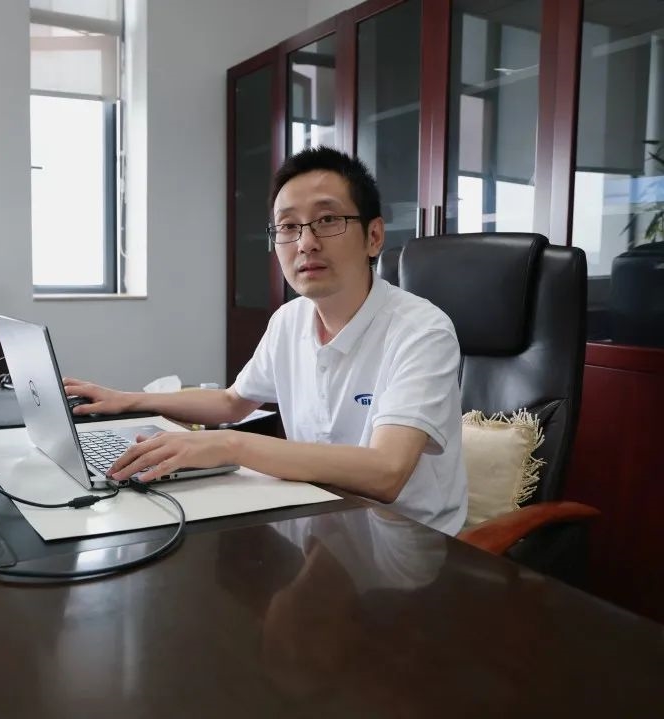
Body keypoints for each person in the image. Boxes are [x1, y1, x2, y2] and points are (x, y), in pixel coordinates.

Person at [64, 146, 467, 534]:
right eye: (288, 226)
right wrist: (126, 400)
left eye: (328, 219)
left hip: (411, 544)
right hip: (321, 519)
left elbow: (387, 471)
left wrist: (230, 446)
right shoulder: (289, 320)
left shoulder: (421, 331)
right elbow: (231, 402)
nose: (306, 242)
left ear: (374, 236)